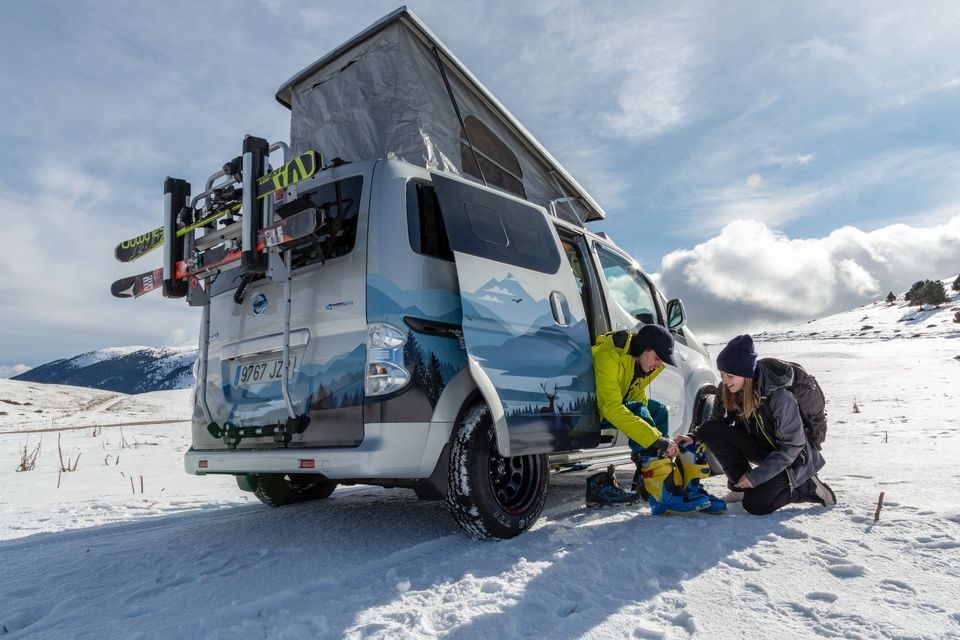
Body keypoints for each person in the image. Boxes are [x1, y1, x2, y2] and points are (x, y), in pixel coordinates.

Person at [678, 334, 836, 515]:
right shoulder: (727, 389)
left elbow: (793, 446)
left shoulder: (780, 398)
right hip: (764, 448)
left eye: (730, 375)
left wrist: (757, 477)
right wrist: (693, 437)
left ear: (746, 373)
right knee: (709, 430)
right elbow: (715, 424)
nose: (725, 379)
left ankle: (805, 487)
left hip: (794, 458)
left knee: (756, 505)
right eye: (722, 373)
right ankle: (740, 488)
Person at [585, 324, 724, 514]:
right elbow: (610, 407)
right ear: (644, 348)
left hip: (609, 408)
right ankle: (662, 493)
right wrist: (656, 440)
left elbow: (639, 403)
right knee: (639, 412)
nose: (659, 365)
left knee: (658, 410)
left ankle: (655, 481)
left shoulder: (639, 366)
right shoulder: (608, 355)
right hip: (590, 410)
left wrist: (663, 442)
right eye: (657, 358)